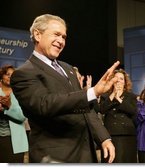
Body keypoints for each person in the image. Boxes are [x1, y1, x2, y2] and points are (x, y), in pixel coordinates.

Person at [10, 14, 119, 163]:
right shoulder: (24, 73)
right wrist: (92, 92)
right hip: (56, 158)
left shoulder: (68, 68)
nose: (61, 41)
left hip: (86, 154)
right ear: (37, 34)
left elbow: (85, 108)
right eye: (56, 34)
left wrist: (103, 137)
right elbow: (44, 104)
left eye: (64, 37)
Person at [99, 68, 138, 163]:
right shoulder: (105, 96)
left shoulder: (131, 96)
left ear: (125, 82)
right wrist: (113, 95)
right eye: (116, 78)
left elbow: (133, 111)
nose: (119, 81)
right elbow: (102, 110)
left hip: (128, 135)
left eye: (121, 79)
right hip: (111, 135)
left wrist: (119, 100)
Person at [0, 65, 28, 163]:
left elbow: (22, 117)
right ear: (2, 76)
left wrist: (8, 107)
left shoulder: (20, 93)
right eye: (7, 74)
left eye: (12, 75)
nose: (9, 77)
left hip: (14, 141)